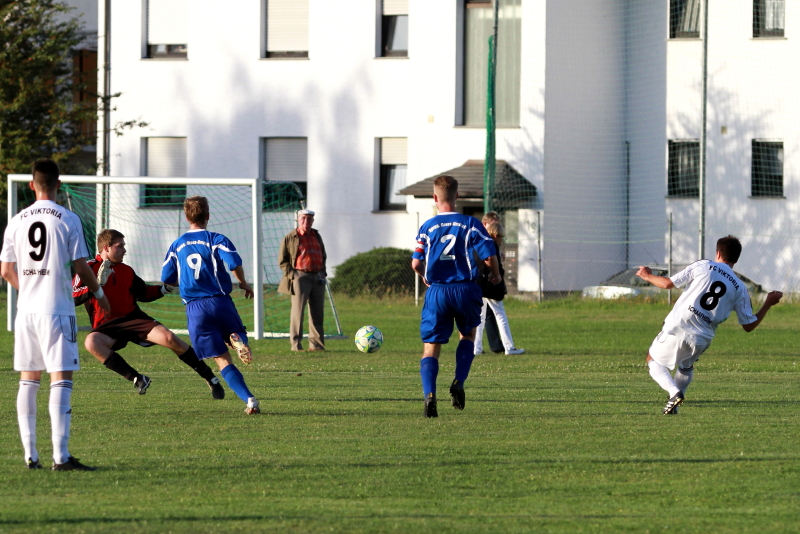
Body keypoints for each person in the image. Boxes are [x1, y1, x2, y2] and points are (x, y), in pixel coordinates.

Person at [1, 158, 110, 471]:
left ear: (31, 185)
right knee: (60, 378)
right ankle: (61, 457)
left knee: (28, 379)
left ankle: (30, 456)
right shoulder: (68, 218)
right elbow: (81, 267)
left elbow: (6, 271)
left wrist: (29, 288)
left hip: (26, 312)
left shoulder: (16, 221)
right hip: (57, 309)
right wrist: (99, 295)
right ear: (59, 185)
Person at [636, 235, 783, 415]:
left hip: (678, 325)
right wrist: (768, 303)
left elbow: (667, 284)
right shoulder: (740, 288)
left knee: (652, 360)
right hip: (702, 337)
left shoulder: (704, 265)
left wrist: (647, 275)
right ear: (736, 259)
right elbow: (749, 325)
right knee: (686, 366)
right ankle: (674, 407)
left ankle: (674, 393)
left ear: (718, 253)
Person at [72, 229, 225, 399]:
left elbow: (143, 293)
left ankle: (210, 378)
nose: (124, 250)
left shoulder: (126, 270)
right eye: (120, 246)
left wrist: (164, 289)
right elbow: (73, 297)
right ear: (106, 248)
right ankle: (137, 378)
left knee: (170, 338)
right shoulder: (88, 268)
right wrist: (95, 286)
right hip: (106, 326)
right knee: (91, 343)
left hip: (133, 319)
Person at [411, 175, 501, 418]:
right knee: (468, 335)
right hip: (465, 289)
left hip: (437, 291)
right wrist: (495, 275)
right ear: (457, 196)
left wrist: (424, 276)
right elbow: (488, 254)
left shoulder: (427, 226)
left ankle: (430, 395)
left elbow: (416, 263)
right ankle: (459, 381)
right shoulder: (471, 223)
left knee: (431, 347)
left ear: (435, 197)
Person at [161, 196, 260, 415]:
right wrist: (243, 283)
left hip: (195, 309)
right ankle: (237, 340)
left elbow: (166, 277)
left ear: (186, 217)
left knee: (222, 360)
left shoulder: (177, 245)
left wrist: (184, 279)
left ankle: (250, 400)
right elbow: (234, 262)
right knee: (235, 334)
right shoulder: (216, 239)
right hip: (219, 301)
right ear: (207, 215)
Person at [278, 209, 328, 352]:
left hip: (317, 276)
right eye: (303, 218)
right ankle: (296, 345)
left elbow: (323, 255)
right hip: (300, 277)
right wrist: (293, 275)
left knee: (317, 313)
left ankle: (317, 346)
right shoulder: (291, 237)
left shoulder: (316, 235)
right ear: (298, 220)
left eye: (309, 219)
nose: (306, 221)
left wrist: (323, 272)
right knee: (298, 312)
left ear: (313, 221)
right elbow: (282, 260)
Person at [474, 221, 525, 356]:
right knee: (500, 314)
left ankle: (476, 348)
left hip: (480, 284)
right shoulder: (491, 245)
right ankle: (509, 347)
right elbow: (491, 261)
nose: (501, 240)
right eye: (501, 237)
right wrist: (496, 275)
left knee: (480, 316)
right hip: (491, 285)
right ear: (495, 235)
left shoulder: (480, 243)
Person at [479, 212, 504, 354]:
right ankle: (504, 346)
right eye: (494, 224)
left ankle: (493, 346)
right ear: (485, 224)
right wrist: (495, 274)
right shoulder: (482, 238)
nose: (496, 227)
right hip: (485, 281)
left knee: (487, 315)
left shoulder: (491, 241)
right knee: (490, 314)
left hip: (488, 280)